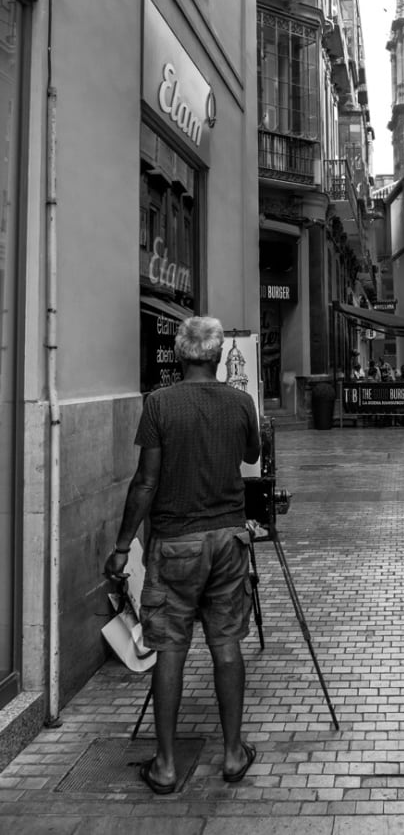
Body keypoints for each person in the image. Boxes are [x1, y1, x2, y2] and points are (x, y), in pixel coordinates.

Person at [104, 316, 261, 793]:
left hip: (174, 543)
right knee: (226, 643)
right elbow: (252, 456)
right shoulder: (241, 402)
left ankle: (167, 765)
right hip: (228, 538)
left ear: (178, 354)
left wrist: (121, 546)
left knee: (170, 648)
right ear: (218, 355)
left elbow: (145, 482)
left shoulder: (159, 404)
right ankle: (233, 753)